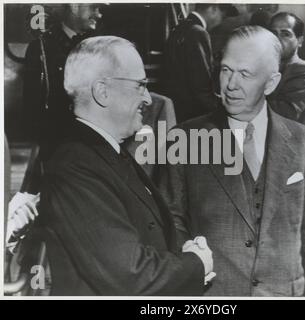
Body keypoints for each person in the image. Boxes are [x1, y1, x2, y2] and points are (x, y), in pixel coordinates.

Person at [158, 26, 305, 296]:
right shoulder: (185, 138)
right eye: (226, 70)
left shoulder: (303, 142)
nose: (231, 84)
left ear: (271, 83)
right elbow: (171, 224)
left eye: (245, 74)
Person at [39, 36, 214, 295]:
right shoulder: (75, 166)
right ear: (102, 91)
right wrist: (196, 264)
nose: (148, 99)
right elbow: (130, 276)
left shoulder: (104, 150)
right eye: (140, 85)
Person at [24, 3, 104, 160]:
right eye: (94, 7)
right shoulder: (41, 47)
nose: (99, 14)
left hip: (95, 140)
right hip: (58, 145)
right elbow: (32, 108)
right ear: (74, 6)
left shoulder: (99, 45)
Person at [164, 4, 237, 123]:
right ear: (213, 8)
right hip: (194, 114)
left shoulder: (179, 28)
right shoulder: (198, 32)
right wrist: (225, 110)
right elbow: (202, 89)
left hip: (178, 111)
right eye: (222, 17)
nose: (220, 23)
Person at [268, 12, 305, 127]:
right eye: (273, 33)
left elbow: (284, 114)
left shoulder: (303, 71)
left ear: (300, 41)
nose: (277, 39)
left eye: (285, 34)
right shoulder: (268, 67)